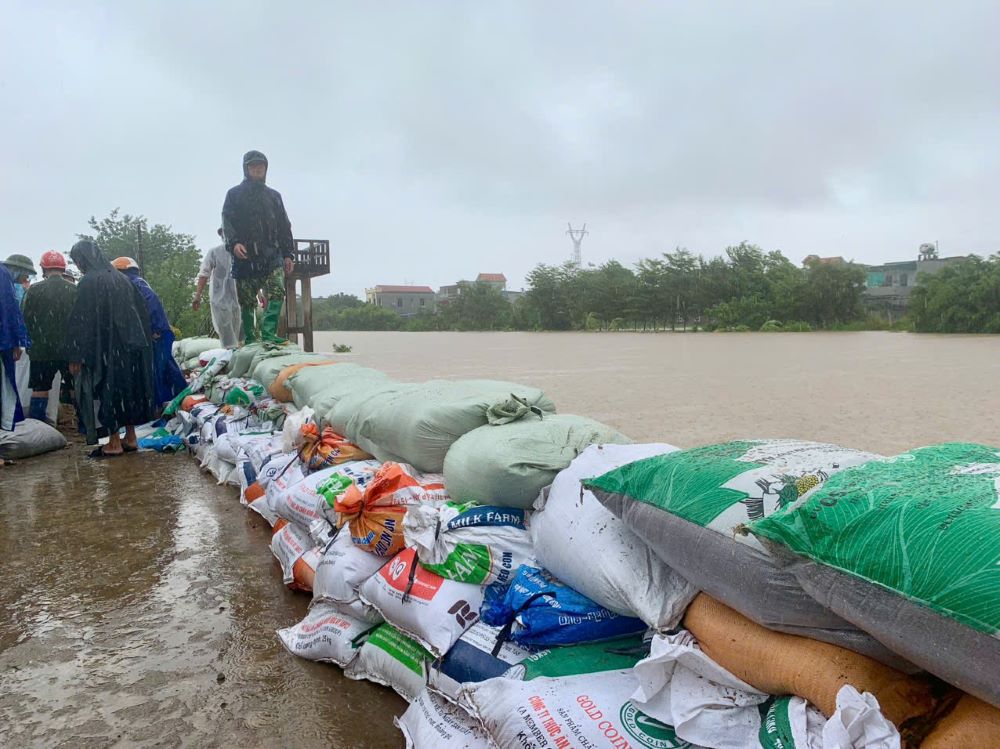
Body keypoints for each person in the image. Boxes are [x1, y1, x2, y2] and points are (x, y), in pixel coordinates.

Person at [66, 240, 157, 457]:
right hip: (132, 346)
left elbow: (81, 320)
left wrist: (76, 354)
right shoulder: (122, 279)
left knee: (110, 391)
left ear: (82, 260)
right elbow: (140, 313)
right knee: (128, 391)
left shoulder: (89, 281)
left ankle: (114, 442)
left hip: (107, 347)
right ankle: (131, 437)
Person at [221, 150, 294, 343]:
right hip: (245, 258)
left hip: (271, 256)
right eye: (253, 166)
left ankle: (269, 333)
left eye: (261, 166)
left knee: (278, 291)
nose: (257, 169)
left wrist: (288, 254)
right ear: (246, 169)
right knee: (246, 300)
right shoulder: (234, 195)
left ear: (266, 169)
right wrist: (233, 243)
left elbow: (285, 226)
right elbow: (227, 222)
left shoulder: (274, 196)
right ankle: (251, 338)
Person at [111, 257, 187, 408]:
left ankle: (159, 406)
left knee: (155, 372)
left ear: (120, 271)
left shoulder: (132, 283)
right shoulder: (138, 281)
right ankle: (182, 395)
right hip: (161, 332)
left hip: (156, 333)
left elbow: (150, 303)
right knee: (167, 367)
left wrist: (154, 328)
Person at [21, 251, 77, 423]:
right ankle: (84, 424)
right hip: (69, 349)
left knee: (40, 387)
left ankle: (37, 425)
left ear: (43, 269)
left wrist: (30, 343)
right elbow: (82, 319)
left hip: (41, 350)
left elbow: (24, 318)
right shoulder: (74, 290)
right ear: (63, 268)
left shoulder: (34, 290)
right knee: (76, 386)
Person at [193, 228, 242, 348]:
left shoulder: (242, 252)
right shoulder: (214, 252)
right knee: (226, 333)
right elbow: (204, 274)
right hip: (220, 299)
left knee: (241, 331)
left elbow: (250, 276)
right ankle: (229, 356)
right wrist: (197, 296)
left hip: (240, 298)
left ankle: (240, 355)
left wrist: (259, 294)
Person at [0, 262, 30, 431]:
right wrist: (16, 341)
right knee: (4, 391)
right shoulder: (3, 275)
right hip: (3, 342)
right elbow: (9, 310)